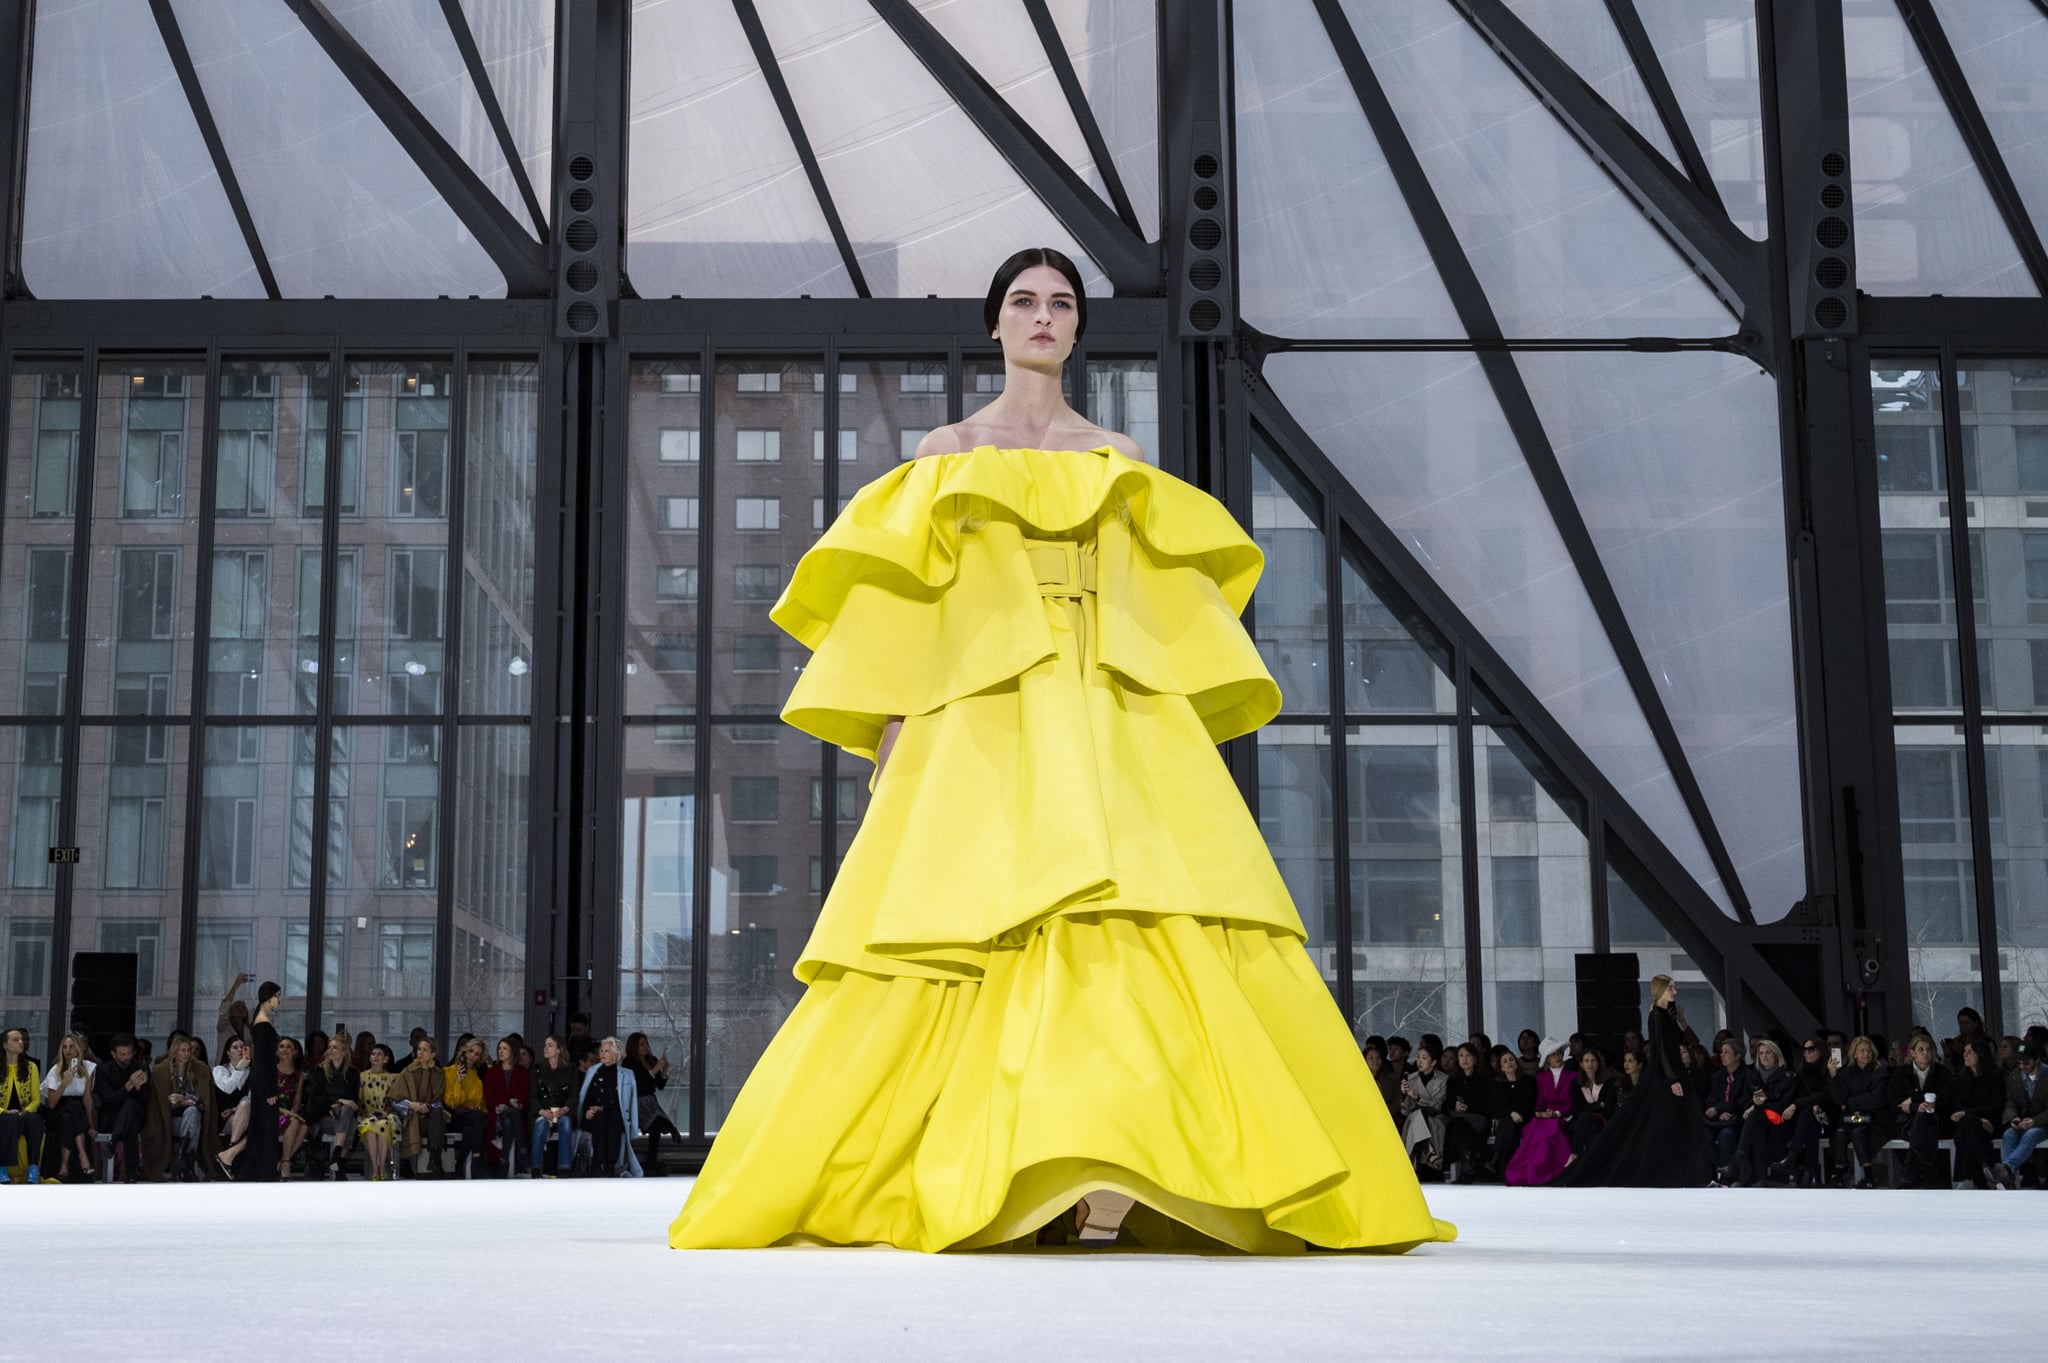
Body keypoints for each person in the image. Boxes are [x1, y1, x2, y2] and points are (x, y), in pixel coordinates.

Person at [671, 247, 1452, 1256]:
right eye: (1024, 301)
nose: (1042, 316)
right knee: (970, 922)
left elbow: (1148, 601)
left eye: (1061, 303)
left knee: (1122, 921)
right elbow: (922, 600)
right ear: (994, 324)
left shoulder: (1114, 456)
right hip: (988, 712)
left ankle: (1107, 1171)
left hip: (1100, 710)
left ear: (1077, 328)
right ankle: (1001, 1171)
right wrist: (896, 727)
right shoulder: (946, 450)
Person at [1553, 975, 1713, 1186]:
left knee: (1685, 1121)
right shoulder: (1656, 1014)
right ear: (1661, 990)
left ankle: (1690, 1172)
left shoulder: (1667, 1015)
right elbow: (1660, 1050)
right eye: (1671, 988)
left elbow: (1689, 1042)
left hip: (1675, 1074)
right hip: (1667, 1077)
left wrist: (1681, 1021)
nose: (1675, 991)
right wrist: (1672, 1078)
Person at [143, 1032, 216, 1182]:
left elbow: (201, 1100)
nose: (187, 1054)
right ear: (174, 1051)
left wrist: (184, 1098)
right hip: (171, 1119)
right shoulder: (161, 1070)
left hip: (192, 1116)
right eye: (182, 1050)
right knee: (192, 1116)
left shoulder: (199, 1070)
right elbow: (162, 1101)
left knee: (192, 1113)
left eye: (188, 1050)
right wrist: (182, 1101)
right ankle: (187, 1164)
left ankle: (182, 1158)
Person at [1728, 1037, 1797, 1187]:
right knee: (1756, 1126)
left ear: (1776, 1055)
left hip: (1779, 1118)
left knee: (1755, 1116)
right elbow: (1744, 1101)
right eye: (1761, 1053)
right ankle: (1759, 1177)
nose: (1764, 1056)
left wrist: (1757, 1106)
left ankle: (1738, 1158)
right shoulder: (1753, 1075)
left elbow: (1783, 1104)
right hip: (1758, 1120)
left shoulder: (1787, 1075)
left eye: (1768, 1053)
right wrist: (1754, 1105)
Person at [1885, 1033, 1950, 1189]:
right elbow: (1894, 1103)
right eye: (1920, 1049)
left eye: (1928, 1049)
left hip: (1937, 1121)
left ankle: (1910, 1171)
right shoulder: (1900, 1073)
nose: (1925, 1053)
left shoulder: (1942, 1073)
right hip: (1907, 1124)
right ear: (1912, 1052)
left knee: (1925, 1119)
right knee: (1923, 1122)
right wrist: (1918, 1106)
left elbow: (1946, 1099)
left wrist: (1914, 1102)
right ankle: (1928, 1173)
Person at [1505, 1039, 1572, 1186]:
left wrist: (1556, 1113)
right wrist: (1540, 1112)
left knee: (1547, 1131)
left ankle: (1544, 1170)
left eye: (1558, 1053)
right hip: (1546, 1117)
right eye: (1553, 1054)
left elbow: (1572, 1103)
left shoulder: (1572, 1076)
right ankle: (1535, 1168)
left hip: (1564, 1117)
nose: (1557, 1057)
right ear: (1547, 1059)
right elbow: (1540, 1102)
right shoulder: (1541, 1078)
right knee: (1534, 1126)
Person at [1831, 1034, 1891, 1186]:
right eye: (1862, 1051)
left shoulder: (1880, 1072)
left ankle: (1869, 1176)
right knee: (1840, 1133)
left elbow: (1876, 1099)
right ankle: (1839, 1174)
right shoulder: (1845, 1073)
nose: (1866, 1054)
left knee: (1858, 1133)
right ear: (1854, 1054)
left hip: (1875, 1119)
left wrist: (1851, 1103)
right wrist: (1833, 1076)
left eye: (1869, 1051)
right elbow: (1839, 1100)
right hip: (1854, 1118)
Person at [1947, 1037, 2005, 1189]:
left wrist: (1970, 1114)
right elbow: (1956, 1108)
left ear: (1981, 1054)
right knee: (1967, 1126)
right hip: (1973, 1125)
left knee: (1964, 1133)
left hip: (1991, 1124)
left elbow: (1996, 1106)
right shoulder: (1961, 1078)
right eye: (1964, 1052)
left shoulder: (1996, 1077)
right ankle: (1991, 1167)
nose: (1965, 1055)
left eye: (1969, 1052)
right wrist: (1977, 1119)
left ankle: (1967, 1177)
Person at [1989, 1039, 2048, 1189]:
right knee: (2009, 1134)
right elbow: (2010, 1102)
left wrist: (2034, 1121)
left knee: (2031, 1134)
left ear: (2037, 1059)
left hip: (2043, 1123)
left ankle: (2007, 1169)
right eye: (2019, 1063)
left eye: (2026, 1063)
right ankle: (2007, 1178)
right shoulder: (2014, 1077)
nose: (2022, 1066)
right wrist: (2013, 1118)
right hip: (2023, 1122)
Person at [93, 1033, 151, 1183]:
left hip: (138, 1116)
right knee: (129, 1118)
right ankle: (131, 1173)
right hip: (112, 1117)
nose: (127, 1057)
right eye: (123, 1054)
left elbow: (146, 1100)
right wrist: (128, 1086)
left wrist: (139, 1088)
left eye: (130, 1053)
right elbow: (108, 1101)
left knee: (132, 1107)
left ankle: (113, 1143)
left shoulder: (139, 1068)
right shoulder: (103, 1071)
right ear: (114, 1054)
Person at [580, 1036, 641, 1178]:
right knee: (600, 1118)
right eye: (601, 1050)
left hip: (616, 1114)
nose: (602, 1053)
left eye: (606, 1051)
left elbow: (629, 1103)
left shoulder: (627, 1074)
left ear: (616, 1054)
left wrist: (603, 1108)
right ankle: (597, 1163)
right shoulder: (593, 1071)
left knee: (613, 1118)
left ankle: (610, 1165)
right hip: (595, 1115)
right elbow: (586, 1096)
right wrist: (587, 1111)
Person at [241, 983, 284, 1181]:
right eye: (277, 996)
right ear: (269, 997)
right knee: (267, 1126)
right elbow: (266, 1060)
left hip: (260, 1079)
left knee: (260, 1125)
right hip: (264, 1080)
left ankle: (257, 1169)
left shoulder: (260, 1022)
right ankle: (265, 1169)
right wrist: (270, 1091)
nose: (279, 1000)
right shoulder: (264, 1025)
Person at [40, 1033, 95, 1183]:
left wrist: (90, 1125)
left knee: (70, 1116)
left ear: (78, 1049)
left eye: (71, 1047)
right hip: (58, 1109)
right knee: (73, 1109)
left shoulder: (89, 1068)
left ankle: (64, 1165)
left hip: (75, 1114)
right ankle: (83, 1155)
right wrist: (64, 1083)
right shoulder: (55, 1070)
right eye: (64, 1047)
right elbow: (51, 1103)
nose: (68, 1050)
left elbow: (87, 1098)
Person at [304, 1034, 361, 1179]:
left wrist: (341, 1105)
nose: (330, 1050)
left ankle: (337, 1156)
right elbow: (315, 1099)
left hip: (343, 1117)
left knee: (348, 1114)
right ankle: (339, 1161)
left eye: (335, 1047)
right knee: (350, 1121)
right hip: (322, 1118)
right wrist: (338, 1101)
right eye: (329, 1047)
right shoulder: (319, 1071)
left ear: (343, 1052)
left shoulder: (352, 1073)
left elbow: (353, 1101)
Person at [625, 1032, 682, 1176]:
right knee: (657, 1123)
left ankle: (653, 1160)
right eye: (641, 1044)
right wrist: (656, 1068)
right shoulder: (629, 1063)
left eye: (646, 1043)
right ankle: (670, 1130)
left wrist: (664, 1070)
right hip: (637, 1101)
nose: (645, 1047)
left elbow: (659, 1085)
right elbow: (640, 1082)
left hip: (650, 1100)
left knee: (656, 1125)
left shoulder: (651, 1060)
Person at [390, 1037, 447, 1177]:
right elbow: (394, 1100)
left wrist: (427, 1106)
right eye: (419, 1049)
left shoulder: (438, 1074)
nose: (420, 1053)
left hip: (431, 1116)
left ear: (433, 1054)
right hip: (411, 1115)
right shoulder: (407, 1072)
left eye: (425, 1050)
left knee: (437, 1112)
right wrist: (412, 1105)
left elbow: (439, 1099)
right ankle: (435, 1160)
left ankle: (434, 1159)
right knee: (435, 1118)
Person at [1700, 1038, 1755, 1174]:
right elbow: (1710, 1101)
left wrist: (1722, 1109)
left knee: (1726, 1134)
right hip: (1718, 1120)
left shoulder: (1749, 1075)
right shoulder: (1717, 1077)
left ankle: (1728, 1173)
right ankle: (1713, 1172)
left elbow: (1745, 1102)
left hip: (1737, 1119)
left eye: (1726, 1052)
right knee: (1703, 1133)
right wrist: (1719, 1113)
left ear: (1738, 1056)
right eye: (1721, 1052)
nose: (1722, 1055)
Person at [1440, 1044, 1492, 1182]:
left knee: (1456, 1126)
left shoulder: (1484, 1078)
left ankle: (1459, 1164)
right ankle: (1469, 1162)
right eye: (1461, 1055)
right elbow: (1447, 1104)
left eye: (1468, 1055)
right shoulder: (1453, 1080)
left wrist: (1468, 1107)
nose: (1465, 1059)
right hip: (1460, 1118)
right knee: (1455, 1125)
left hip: (1478, 1118)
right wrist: (1455, 1105)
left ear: (1475, 1059)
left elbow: (1488, 1104)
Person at [529, 1034, 578, 1178]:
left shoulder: (570, 1069)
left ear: (558, 1049)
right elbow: (532, 1095)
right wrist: (542, 1111)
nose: (545, 1048)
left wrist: (565, 1109)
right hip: (543, 1111)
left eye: (550, 1045)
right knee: (541, 1125)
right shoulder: (538, 1068)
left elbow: (574, 1094)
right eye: (545, 1045)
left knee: (565, 1123)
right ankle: (536, 1168)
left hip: (563, 1111)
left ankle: (564, 1168)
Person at [0, 1027, 44, 1184]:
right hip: (3, 1115)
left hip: (23, 1113)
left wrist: (26, 1110)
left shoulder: (31, 1067)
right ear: (5, 1045)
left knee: (34, 1119)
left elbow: (36, 1099)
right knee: (8, 1120)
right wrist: (3, 1111)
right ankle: (2, 1168)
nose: (21, 1042)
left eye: (22, 1040)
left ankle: (33, 1167)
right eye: (16, 1039)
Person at [1396, 1041, 1446, 1173]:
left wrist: (1418, 1098)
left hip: (1434, 1119)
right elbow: (1405, 1111)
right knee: (1416, 1114)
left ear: (1434, 1062)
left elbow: (1437, 1105)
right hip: (1414, 1120)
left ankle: (1415, 1162)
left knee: (1418, 1113)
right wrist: (1404, 1095)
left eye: (1424, 1058)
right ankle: (1429, 1151)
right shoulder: (1411, 1079)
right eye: (1418, 1057)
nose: (1419, 1061)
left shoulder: (1443, 1079)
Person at [483, 1037, 529, 1176]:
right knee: (508, 1116)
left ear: (512, 1051)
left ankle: (504, 1160)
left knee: (510, 1119)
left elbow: (525, 1098)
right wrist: (506, 1102)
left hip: (517, 1115)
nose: (501, 1051)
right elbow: (489, 1099)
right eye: (499, 1048)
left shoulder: (522, 1073)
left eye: (505, 1048)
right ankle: (522, 1150)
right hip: (497, 1114)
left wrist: (515, 1103)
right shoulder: (492, 1073)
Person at [443, 1038, 489, 1177]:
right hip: (455, 1118)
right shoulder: (449, 1072)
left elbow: (481, 1102)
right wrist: (458, 1081)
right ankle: (477, 1158)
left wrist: (477, 1107)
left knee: (471, 1127)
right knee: (476, 1118)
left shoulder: (476, 1077)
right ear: (464, 1051)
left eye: (476, 1054)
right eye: (471, 1051)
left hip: (473, 1119)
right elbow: (452, 1102)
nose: (472, 1056)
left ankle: (460, 1164)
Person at [1489, 1053, 1536, 1179]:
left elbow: (1531, 1102)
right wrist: (1511, 1113)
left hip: (1526, 1119)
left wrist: (1519, 1114)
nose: (1509, 1062)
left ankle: (1497, 1157)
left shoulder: (1528, 1081)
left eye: (1511, 1059)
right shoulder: (1497, 1085)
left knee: (1509, 1124)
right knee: (1509, 1123)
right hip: (1508, 1121)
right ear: (1501, 1067)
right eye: (1505, 1061)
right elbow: (1497, 1106)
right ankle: (1504, 1164)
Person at [355, 1045, 399, 1181]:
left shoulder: (393, 1078)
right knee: (370, 1126)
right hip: (367, 1115)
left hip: (387, 1115)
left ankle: (381, 1167)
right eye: (373, 1054)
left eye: (379, 1054)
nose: (375, 1056)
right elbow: (357, 1099)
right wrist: (366, 1112)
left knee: (383, 1124)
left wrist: (386, 1112)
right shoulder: (361, 1076)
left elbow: (395, 1099)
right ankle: (376, 1168)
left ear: (386, 1059)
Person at [212, 1035, 253, 1179]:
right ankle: (231, 1152)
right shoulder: (219, 1070)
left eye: (243, 1047)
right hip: (222, 1118)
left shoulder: (250, 1073)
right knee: (246, 1107)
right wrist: (238, 1069)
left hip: (242, 1116)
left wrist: (235, 1109)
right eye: (235, 1048)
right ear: (228, 1052)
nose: (240, 1050)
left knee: (248, 1107)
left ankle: (230, 1151)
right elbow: (227, 1089)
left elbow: (249, 1098)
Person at [1567, 1048, 1617, 1155]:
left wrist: (1589, 1108)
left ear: (1598, 1063)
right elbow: (1576, 1110)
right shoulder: (1575, 1084)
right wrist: (1599, 1104)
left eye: (1593, 1060)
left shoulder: (1608, 1083)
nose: (1590, 1064)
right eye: (1586, 1061)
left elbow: (1609, 1109)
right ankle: (1591, 1161)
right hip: (1585, 1122)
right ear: (1581, 1064)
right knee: (1590, 1127)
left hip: (1602, 1119)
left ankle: (1575, 1154)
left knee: (1586, 1118)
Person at [273, 1038, 309, 1180]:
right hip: (273, 1114)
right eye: (281, 1046)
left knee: (304, 1127)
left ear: (295, 1052)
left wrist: (292, 1113)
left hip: (289, 1114)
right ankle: (286, 1164)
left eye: (289, 1047)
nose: (285, 1050)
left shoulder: (299, 1075)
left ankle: (283, 1160)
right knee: (294, 1122)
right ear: (276, 1051)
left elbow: (297, 1099)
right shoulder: (271, 1071)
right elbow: (268, 1099)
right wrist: (288, 1114)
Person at [216, 972, 252, 1060]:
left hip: (245, 1070)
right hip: (225, 1070)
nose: (240, 1009)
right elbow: (224, 1008)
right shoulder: (223, 1027)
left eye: (243, 1007)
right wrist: (236, 985)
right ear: (230, 1011)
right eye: (236, 1006)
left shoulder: (250, 1032)